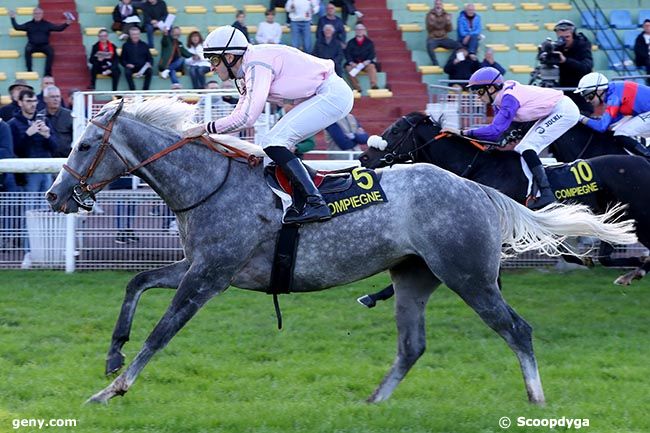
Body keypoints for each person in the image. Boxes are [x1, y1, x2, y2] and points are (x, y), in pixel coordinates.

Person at [183, 26, 353, 224]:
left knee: (273, 141)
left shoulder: (255, 65)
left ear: (229, 57)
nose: (211, 68)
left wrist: (205, 128)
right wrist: (208, 130)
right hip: (323, 94)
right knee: (274, 142)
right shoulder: (246, 69)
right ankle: (309, 194)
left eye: (214, 60)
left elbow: (247, 119)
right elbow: (239, 112)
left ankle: (315, 203)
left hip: (331, 94)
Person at [442, 67, 580, 209]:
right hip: (553, 110)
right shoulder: (499, 101)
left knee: (526, 146)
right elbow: (500, 132)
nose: (478, 96)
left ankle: (546, 194)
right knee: (523, 147)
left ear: (491, 88)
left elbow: (495, 131)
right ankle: (535, 193)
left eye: (479, 91)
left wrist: (462, 133)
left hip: (564, 111)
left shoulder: (508, 99)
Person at [574, 72, 650, 158]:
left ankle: (647, 158)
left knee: (621, 133)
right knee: (617, 129)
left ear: (599, 91)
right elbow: (609, 124)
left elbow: (601, 127)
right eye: (585, 97)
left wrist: (579, 117)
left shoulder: (614, 98)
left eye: (590, 96)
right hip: (646, 112)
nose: (588, 101)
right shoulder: (613, 91)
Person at [8, 89, 58, 192]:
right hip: (27, 171)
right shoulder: (12, 124)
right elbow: (16, 151)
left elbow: (55, 148)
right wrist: (28, 134)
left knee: (46, 205)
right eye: (28, 101)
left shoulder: (44, 120)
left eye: (34, 101)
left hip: (46, 169)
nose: (33, 104)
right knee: (30, 205)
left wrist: (47, 136)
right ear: (20, 103)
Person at [9, 7, 72, 77]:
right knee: (27, 50)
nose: (37, 15)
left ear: (42, 14)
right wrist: (12, 18)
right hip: (32, 45)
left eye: (39, 13)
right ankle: (29, 70)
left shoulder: (47, 24)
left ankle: (47, 73)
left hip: (44, 45)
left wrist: (67, 24)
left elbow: (59, 29)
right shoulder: (29, 24)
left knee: (51, 52)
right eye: (35, 13)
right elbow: (17, 27)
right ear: (33, 15)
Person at [551, 19, 593, 114]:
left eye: (567, 37)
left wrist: (565, 60)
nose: (564, 40)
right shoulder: (557, 48)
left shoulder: (582, 46)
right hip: (563, 93)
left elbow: (586, 67)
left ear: (573, 35)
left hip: (580, 95)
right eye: (561, 37)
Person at [344, 23, 379, 92]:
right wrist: (352, 63)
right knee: (348, 69)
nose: (359, 31)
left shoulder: (369, 42)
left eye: (361, 29)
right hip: (354, 64)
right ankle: (357, 87)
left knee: (372, 66)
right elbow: (347, 54)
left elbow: (372, 54)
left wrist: (366, 62)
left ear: (364, 31)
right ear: (355, 31)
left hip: (365, 64)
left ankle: (373, 85)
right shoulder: (350, 42)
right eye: (358, 29)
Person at [426, 0, 460, 66]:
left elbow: (449, 30)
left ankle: (451, 61)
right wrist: (431, 23)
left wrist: (449, 22)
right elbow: (429, 30)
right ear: (434, 5)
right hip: (433, 38)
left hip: (444, 38)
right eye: (437, 4)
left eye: (440, 4)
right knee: (429, 45)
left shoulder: (446, 15)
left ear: (442, 5)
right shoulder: (430, 15)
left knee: (458, 45)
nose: (438, 6)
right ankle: (435, 64)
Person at [43, 86, 73, 157]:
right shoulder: (40, 117)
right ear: (45, 99)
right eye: (52, 97)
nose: (56, 99)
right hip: (45, 158)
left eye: (58, 96)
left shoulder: (70, 115)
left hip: (66, 158)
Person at [120, 26, 153, 90]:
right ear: (130, 35)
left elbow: (150, 58)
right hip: (131, 67)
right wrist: (127, 64)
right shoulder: (125, 45)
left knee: (150, 71)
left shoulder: (144, 45)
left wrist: (149, 64)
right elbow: (122, 59)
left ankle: (145, 91)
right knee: (127, 72)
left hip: (142, 67)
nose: (135, 36)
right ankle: (132, 90)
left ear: (139, 34)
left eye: (137, 34)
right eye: (133, 34)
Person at [634, 19, 650, 85]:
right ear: (643, 27)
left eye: (649, 26)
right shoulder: (639, 38)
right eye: (646, 26)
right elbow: (638, 50)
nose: (648, 27)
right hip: (643, 59)